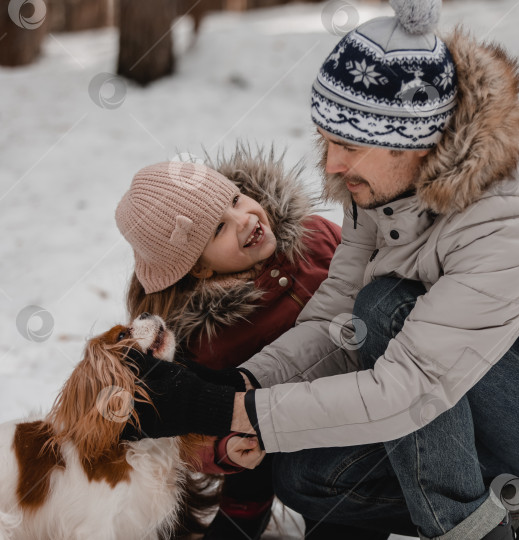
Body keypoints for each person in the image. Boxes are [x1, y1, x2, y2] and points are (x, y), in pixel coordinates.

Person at [126, 1, 519, 539]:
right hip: (483, 366)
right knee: (305, 476)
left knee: (388, 307)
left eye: (348, 145)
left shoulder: (510, 221)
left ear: (412, 141)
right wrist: (236, 385)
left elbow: (409, 387)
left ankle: (485, 524)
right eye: (326, 139)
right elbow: (338, 317)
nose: (332, 165)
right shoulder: (380, 182)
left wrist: (228, 408)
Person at [116, 146, 375, 539]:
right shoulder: (208, 338)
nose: (244, 219)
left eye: (236, 199)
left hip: (377, 385)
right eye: (218, 228)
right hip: (302, 434)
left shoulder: (316, 237)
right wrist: (224, 450)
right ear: (198, 266)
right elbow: (197, 422)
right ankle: (243, 513)